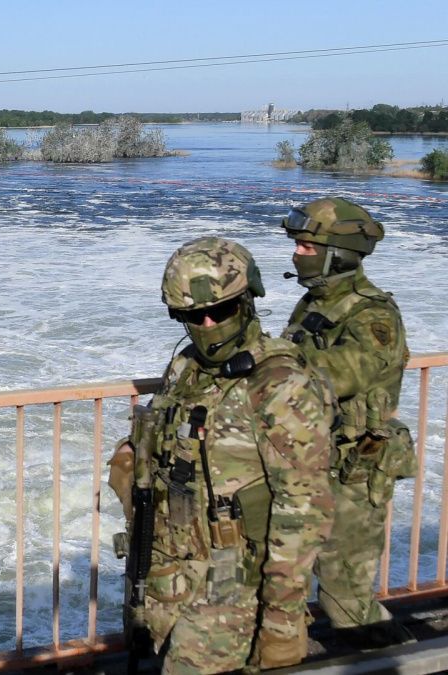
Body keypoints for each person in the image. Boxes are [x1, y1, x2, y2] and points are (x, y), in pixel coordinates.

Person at [109, 236, 334, 673]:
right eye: (194, 315)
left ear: (248, 299)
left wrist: (282, 622)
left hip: (233, 586)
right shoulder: (187, 367)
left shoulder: (279, 383)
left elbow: (303, 512)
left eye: (222, 310)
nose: (209, 323)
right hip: (170, 571)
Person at [280, 197, 417, 647]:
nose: (297, 254)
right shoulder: (313, 302)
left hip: (354, 470)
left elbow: (345, 371)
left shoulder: (372, 313)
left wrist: (270, 365)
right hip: (308, 462)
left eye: (305, 247)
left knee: (346, 598)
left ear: (337, 253)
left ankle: (402, 658)